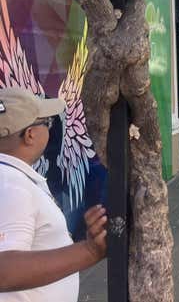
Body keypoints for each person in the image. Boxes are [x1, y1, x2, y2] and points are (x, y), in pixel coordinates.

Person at [0, 87, 107, 300]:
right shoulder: (11, 184)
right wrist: (89, 251)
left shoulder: (11, 178)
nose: (51, 128)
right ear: (30, 135)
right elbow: (4, 271)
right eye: (47, 123)